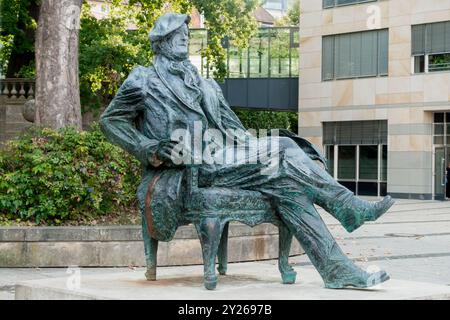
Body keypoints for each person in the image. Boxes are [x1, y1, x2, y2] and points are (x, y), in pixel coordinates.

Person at [100, 13, 395, 289]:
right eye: (177, 32)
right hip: (183, 168)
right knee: (282, 149)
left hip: (222, 160)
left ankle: (337, 272)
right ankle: (350, 208)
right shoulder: (143, 79)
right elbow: (110, 121)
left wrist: (275, 151)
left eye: (187, 32)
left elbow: (235, 130)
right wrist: (150, 147)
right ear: (161, 40)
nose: (185, 36)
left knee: (290, 187)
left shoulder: (205, 84)